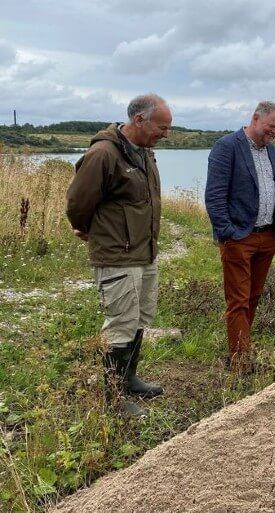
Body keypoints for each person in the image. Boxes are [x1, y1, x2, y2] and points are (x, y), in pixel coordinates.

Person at [65, 93, 171, 417]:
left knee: (140, 318)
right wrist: (90, 231)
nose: (165, 134)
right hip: (117, 256)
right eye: (162, 127)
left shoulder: (145, 153)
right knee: (120, 324)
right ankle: (112, 399)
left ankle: (129, 380)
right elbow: (77, 204)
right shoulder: (103, 153)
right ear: (139, 120)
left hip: (144, 253)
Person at [205, 101, 275, 373]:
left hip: (267, 237)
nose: (273, 133)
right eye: (270, 127)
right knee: (238, 299)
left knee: (254, 295)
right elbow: (214, 196)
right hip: (239, 237)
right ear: (255, 118)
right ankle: (240, 362)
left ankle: (241, 346)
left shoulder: (272, 152)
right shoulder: (227, 146)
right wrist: (227, 233)